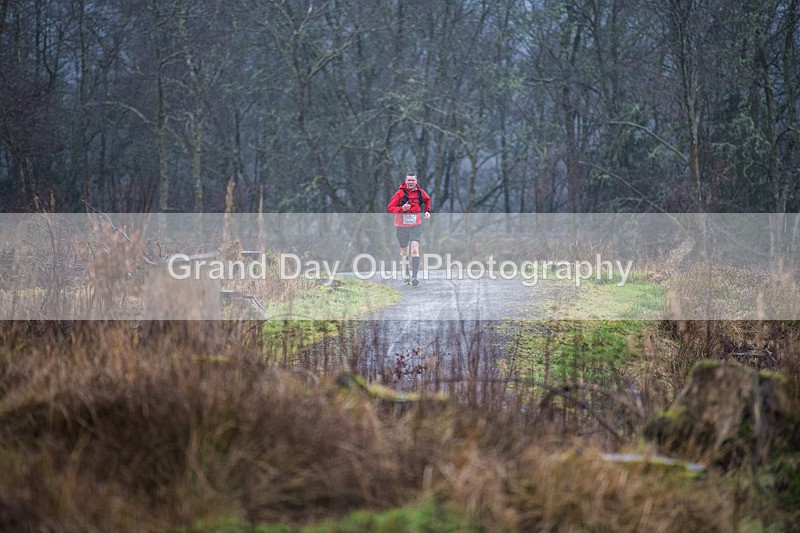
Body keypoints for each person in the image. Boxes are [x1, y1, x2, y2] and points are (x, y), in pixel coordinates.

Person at [387, 173, 431, 286]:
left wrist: (427, 211)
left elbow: (427, 200)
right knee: (404, 252)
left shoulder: (420, 192)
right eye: (409, 180)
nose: (410, 182)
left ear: (416, 181)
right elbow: (390, 208)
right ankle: (406, 274)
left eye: (412, 180)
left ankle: (415, 277)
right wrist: (402, 208)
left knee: (415, 249)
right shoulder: (400, 193)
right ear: (405, 181)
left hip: (415, 225)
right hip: (401, 226)